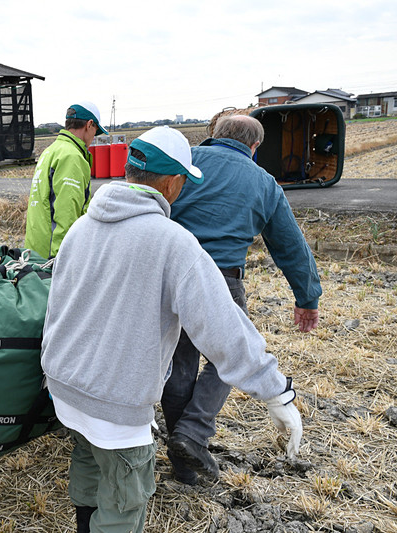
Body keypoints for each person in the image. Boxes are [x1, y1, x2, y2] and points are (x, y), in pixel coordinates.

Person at [41, 126, 303, 533]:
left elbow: (58, 307)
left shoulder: (81, 228)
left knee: (90, 470)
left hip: (66, 388)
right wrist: (276, 392)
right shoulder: (172, 242)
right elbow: (224, 327)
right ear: (172, 181)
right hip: (116, 405)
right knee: (125, 500)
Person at [161, 114, 322, 484]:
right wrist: (307, 297)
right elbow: (290, 246)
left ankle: (184, 460)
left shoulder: (185, 164)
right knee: (229, 357)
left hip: (173, 273)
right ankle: (193, 432)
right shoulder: (264, 183)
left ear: (214, 135)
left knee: (179, 365)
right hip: (222, 280)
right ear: (254, 147)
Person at [24, 101, 109, 258]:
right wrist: (63, 259)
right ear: (89, 125)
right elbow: (67, 214)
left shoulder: (51, 151)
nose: (93, 138)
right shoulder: (72, 157)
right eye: (95, 131)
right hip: (53, 256)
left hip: (37, 248)